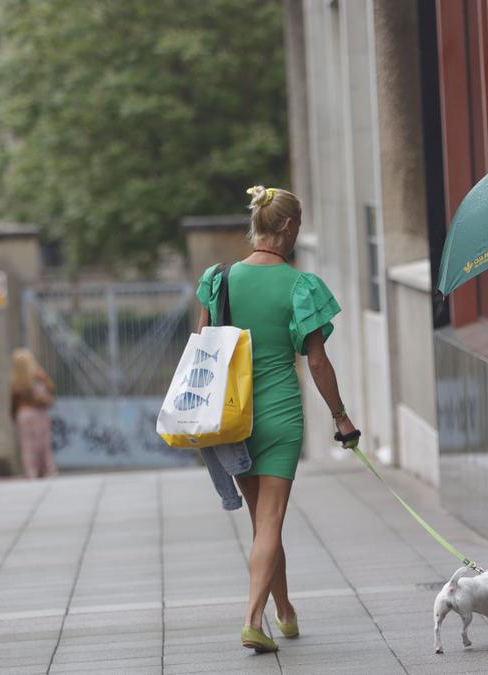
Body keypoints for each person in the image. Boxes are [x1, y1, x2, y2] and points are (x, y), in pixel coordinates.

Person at [195, 185, 357, 653]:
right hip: (281, 411)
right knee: (271, 520)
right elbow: (318, 362)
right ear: (287, 228)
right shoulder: (300, 285)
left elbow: (204, 342)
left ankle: (283, 610)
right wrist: (341, 417)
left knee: (263, 521)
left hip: (233, 417)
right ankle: (252, 619)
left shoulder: (218, 278)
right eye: (299, 225)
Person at [10, 348, 58, 479]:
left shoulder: (16, 380)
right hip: (39, 413)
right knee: (43, 443)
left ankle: (31, 473)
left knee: (27, 447)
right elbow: (50, 387)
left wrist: (14, 417)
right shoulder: (38, 375)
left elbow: (14, 403)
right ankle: (49, 470)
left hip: (23, 414)